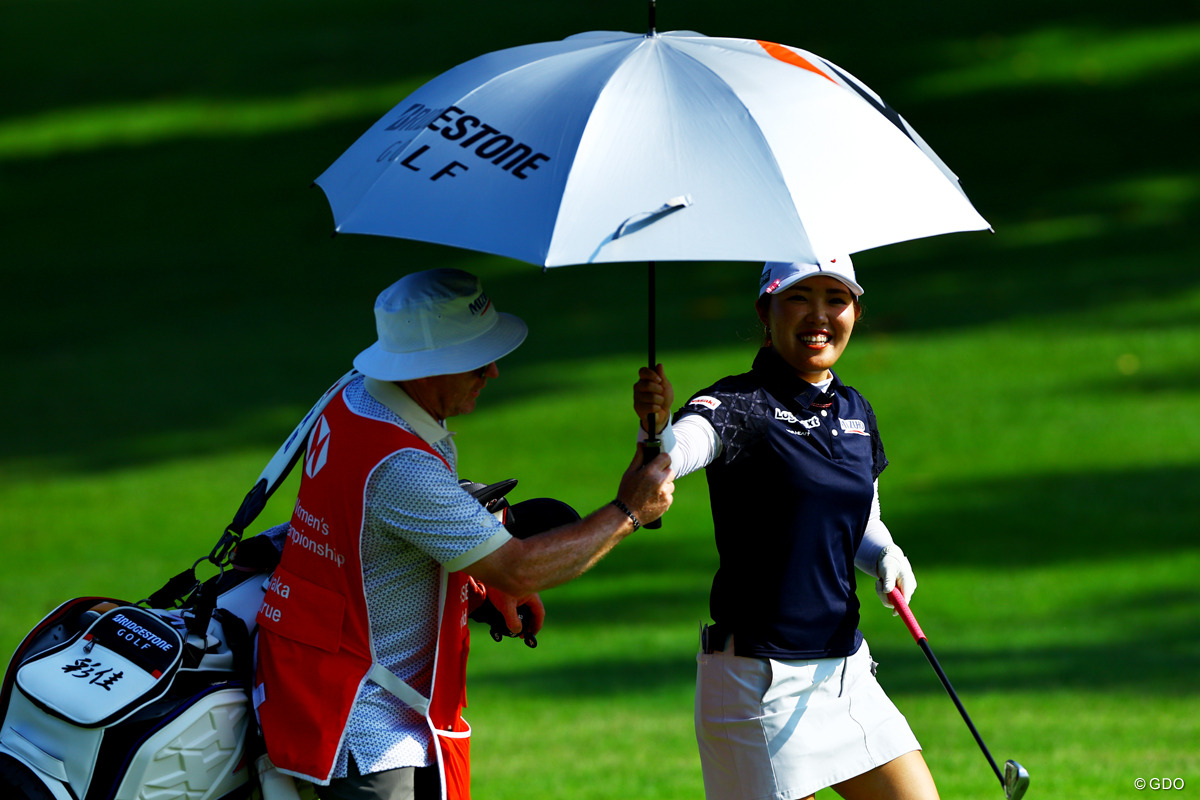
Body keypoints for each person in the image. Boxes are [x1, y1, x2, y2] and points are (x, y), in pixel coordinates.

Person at [253, 268, 674, 800]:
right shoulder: (400, 464)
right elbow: (518, 566)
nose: (494, 371)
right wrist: (627, 512)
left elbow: (370, 539)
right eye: (476, 359)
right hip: (371, 731)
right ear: (427, 366)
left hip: (334, 695)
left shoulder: (357, 396)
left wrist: (476, 581)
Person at [633, 256, 939, 800]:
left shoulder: (855, 411)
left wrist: (885, 553)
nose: (818, 315)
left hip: (845, 672)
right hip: (758, 683)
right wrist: (657, 433)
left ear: (856, 312)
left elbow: (861, 517)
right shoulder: (736, 405)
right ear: (765, 311)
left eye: (835, 299)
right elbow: (681, 450)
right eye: (798, 298)